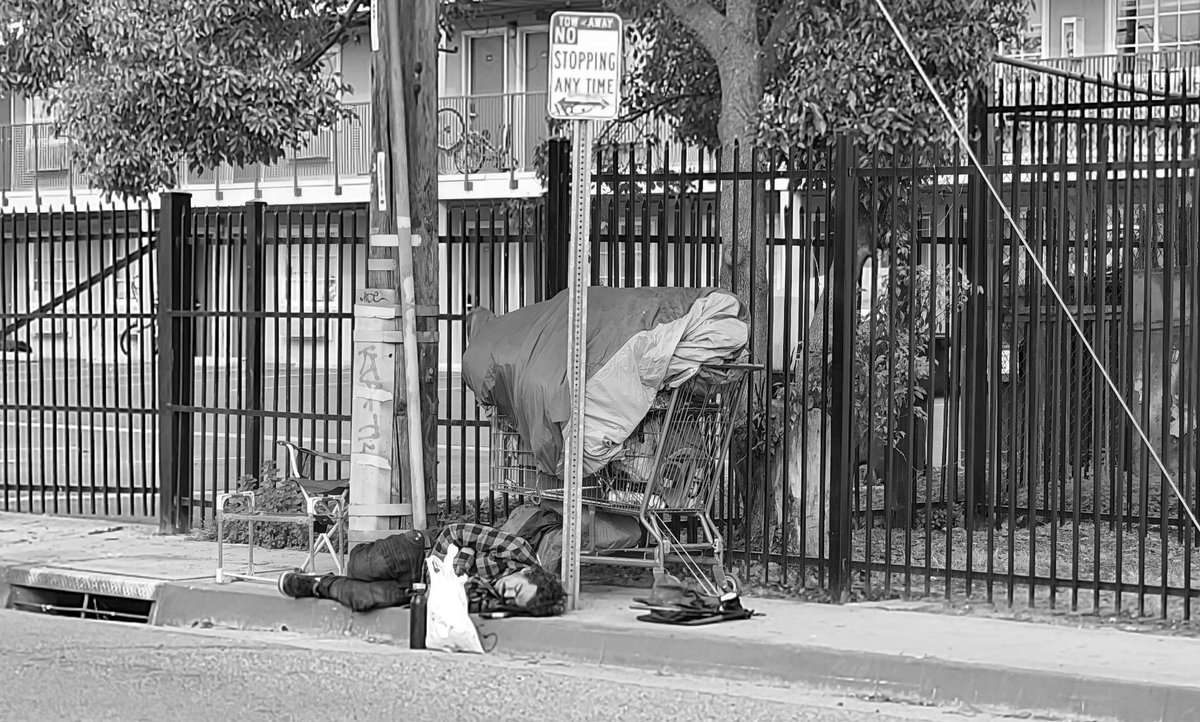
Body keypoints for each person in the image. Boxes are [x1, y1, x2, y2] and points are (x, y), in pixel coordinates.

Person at [277, 521, 566, 617]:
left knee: (366, 599)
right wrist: (452, 571)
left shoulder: (507, 600)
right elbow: (455, 532)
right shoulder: (517, 550)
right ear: (528, 573)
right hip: (423, 552)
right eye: (515, 588)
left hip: (426, 588)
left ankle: (314, 585)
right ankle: (366, 556)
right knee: (359, 567)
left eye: (515, 599)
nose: (507, 593)